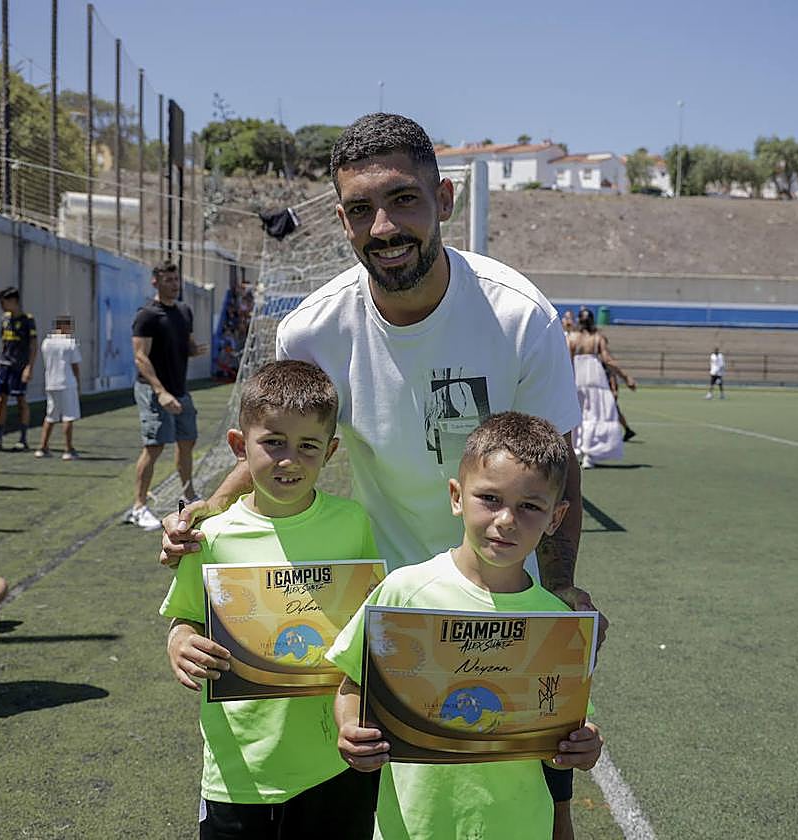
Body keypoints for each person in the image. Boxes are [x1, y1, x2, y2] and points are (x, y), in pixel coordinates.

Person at [164, 113, 603, 837]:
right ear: (341, 219)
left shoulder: (519, 315)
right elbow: (278, 444)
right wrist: (203, 514)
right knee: (380, 808)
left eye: (403, 199)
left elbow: (557, 465)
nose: (384, 226)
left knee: (506, 803)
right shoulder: (311, 329)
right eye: (361, 209)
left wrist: (553, 597)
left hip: (500, 604)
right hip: (384, 609)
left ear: (445, 199)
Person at [328, 413, 603, 840]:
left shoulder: (557, 621)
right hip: (413, 827)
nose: (507, 520)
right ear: (457, 496)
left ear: (555, 516)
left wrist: (584, 745)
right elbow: (352, 684)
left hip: (516, 826)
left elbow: (567, 727)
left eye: (530, 506)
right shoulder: (404, 592)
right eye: (490, 499)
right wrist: (349, 728)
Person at [160, 360, 379, 839]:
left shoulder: (352, 524)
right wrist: (179, 642)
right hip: (239, 768)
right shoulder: (213, 536)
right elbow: (186, 617)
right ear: (240, 446)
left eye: (307, 446)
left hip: (332, 759)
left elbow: (369, 625)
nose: (289, 460)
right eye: (273, 442)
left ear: (330, 451)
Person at [126, 262, 205, 530]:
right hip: (153, 390)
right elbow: (140, 357)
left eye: (176, 279)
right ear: (155, 282)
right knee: (154, 446)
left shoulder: (184, 311)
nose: (174, 284)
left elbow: (186, 344)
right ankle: (138, 507)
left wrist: (195, 350)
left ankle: (188, 494)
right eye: (168, 279)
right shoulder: (147, 315)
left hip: (180, 390)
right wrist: (160, 392)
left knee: (187, 440)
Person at [567, 308, 636, 469]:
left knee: (577, 416)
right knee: (595, 416)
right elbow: (608, 360)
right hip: (595, 379)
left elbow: (567, 361)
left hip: (577, 379)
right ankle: (589, 455)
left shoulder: (572, 338)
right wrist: (625, 377)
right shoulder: (597, 338)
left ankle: (576, 451)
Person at [0, 286, 37, 451]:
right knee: (0, 400)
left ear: (14, 301)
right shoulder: (4, 319)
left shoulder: (27, 320)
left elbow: (33, 345)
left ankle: (23, 439)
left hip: (19, 366)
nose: (2, 306)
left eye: (4, 302)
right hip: (5, 366)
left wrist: (29, 367)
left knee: (20, 400)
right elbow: (4, 344)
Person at [36, 315, 82, 460]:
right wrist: (78, 382)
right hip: (67, 383)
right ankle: (68, 449)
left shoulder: (46, 342)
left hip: (50, 382)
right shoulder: (70, 343)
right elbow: (75, 366)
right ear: (64, 327)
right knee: (69, 416)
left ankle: (42, 447)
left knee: (50, 415)